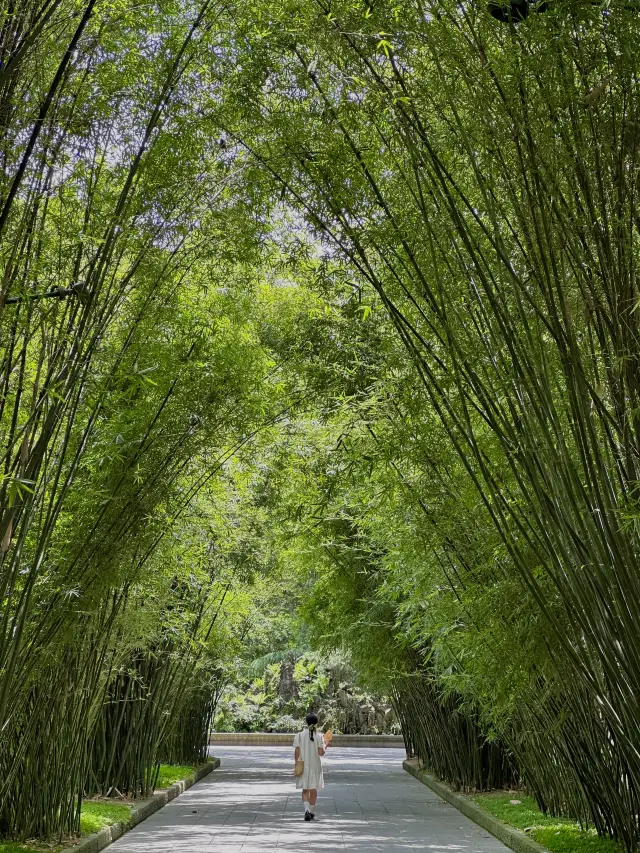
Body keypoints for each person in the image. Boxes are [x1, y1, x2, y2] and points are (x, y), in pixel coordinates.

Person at [293, 712, 331, 821]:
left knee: (305, 789)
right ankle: (310, 811)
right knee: (313, 790)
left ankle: (306, 810)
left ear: (306, 722)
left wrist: (296, 762)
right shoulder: (319, 736)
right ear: (316, 723)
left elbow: (297, 751)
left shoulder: (299, 735)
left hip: (303, 765)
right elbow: (321, 753)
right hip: (315, 767)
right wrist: (326, 745)